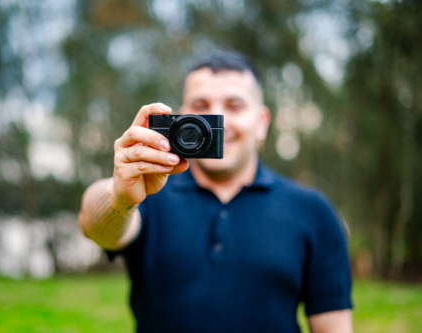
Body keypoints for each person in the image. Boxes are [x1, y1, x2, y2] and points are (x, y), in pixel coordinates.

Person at [78, 51, 353, 333]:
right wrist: (120, 197)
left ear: (261, 123)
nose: (215, 118)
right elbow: (94, 224)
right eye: (201, 105)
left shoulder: (312, 210)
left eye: (234, 106)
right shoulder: (150, 193)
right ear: (180, 121)